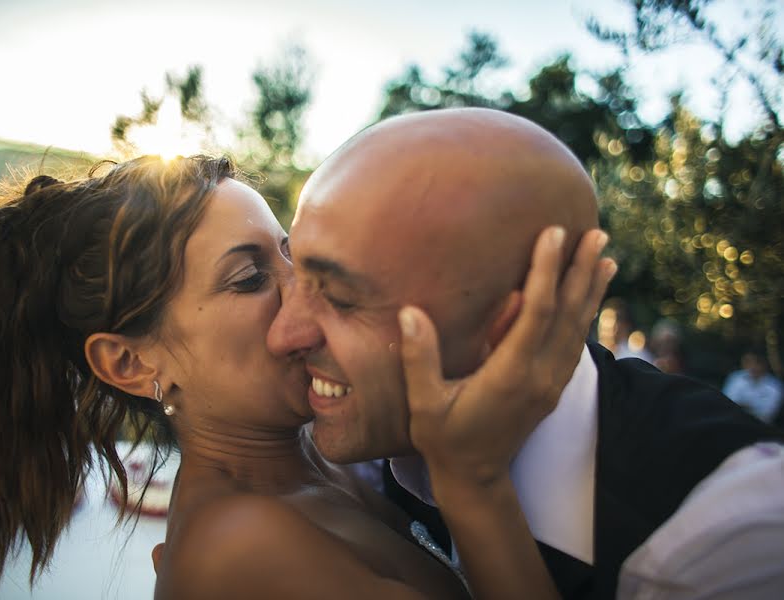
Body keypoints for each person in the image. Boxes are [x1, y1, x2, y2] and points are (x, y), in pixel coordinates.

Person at [0, 154, 611, 599]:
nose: (307, 296)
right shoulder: (244, 544)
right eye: (249, 279)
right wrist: (471, 483)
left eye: (296, 255)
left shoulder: (322, 462)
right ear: (131, 362)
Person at [267, 108, 784, 599]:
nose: (283, 336)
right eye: (295, 273)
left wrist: (471, 487)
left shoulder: (727, 537)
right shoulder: (363, 448)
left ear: (515, 326)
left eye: (339, 297)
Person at [723, 350, 784, 424]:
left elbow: (767, 415)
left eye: (756, 362)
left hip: (759, 427)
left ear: (764, 364)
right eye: (747, 362)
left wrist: (743, 406)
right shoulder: (735, 377)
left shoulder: (775, 386)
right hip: (730, 422)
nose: (751, 366)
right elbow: (726, 403)